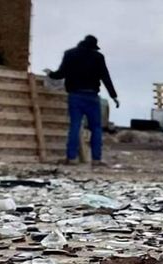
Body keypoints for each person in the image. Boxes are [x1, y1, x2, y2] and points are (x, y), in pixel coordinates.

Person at [48, 35, 119, 167]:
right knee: (96, 128)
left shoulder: (70, 54)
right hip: (92, 96)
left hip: (75, 95)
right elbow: (105, 77)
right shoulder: (98, 57)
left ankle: (71, 158)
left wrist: (50, 74)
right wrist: (113, 95)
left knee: (75, 126)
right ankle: (96, 160)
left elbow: (61, 73)